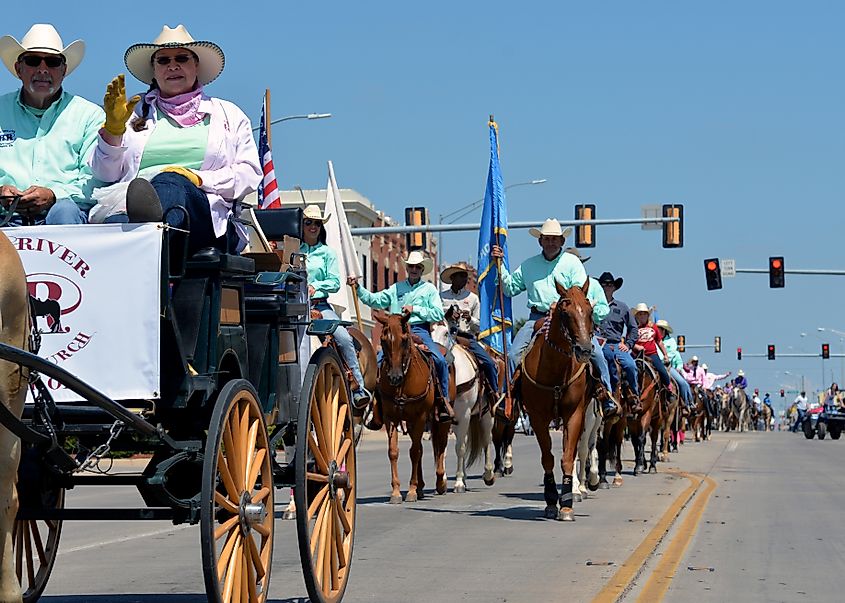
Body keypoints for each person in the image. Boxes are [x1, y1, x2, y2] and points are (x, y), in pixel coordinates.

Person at [89, 25, 260, 256]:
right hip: (131, 205)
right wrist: (113, 131)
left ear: (196, 66)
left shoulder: (228, 114)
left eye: (181, 58)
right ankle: (146, 241)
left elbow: (249, 175)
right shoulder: (133, 113)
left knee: (170, 181)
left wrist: (198, 178)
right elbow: (105, 175)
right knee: (117, 222)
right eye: (163, 61)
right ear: (154, 70)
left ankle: (146, 242)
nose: (172, 66)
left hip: (205, 215)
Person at [490, 220, 615, 417]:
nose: (550, 243)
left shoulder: (572, 263)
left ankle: (606, 395)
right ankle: (509, 398)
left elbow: (578, 292)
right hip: (536, 317)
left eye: (554, 239)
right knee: (514, 355)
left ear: (562, 241)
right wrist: (499, 266)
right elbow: (510, 288)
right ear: (540, 241)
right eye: (547, 239)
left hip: (568, 318)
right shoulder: (528, 265)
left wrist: (562, 307)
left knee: (596, 353)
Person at [0, 24, 104, 224]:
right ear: (18, 69)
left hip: (61, 218)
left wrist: (54, 196)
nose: (42, 69)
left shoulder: (89, 115)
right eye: (32, 61)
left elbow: (95, 180)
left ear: (63, 70)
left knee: (64, 210)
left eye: (52, 62)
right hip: (4, 217)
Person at [348, 251, 454, 423]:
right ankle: (376, 407)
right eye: (411, 266)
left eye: (417, 267)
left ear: (422, 270)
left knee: (440, 360)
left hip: (420, 331)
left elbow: (437, 313)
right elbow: (376, 300)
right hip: (396, 331)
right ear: (407, 268)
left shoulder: (429, 289)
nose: (414, 269)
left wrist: (416, 309)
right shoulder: (396, 288)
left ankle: (443, 401)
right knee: (379, 361)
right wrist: (358, 289)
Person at [300, 205, 370, 408]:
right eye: (308, 222)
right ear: (301, 225)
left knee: (343, 337)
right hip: (294, 306)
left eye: (317, 223)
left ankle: (358, 387)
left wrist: (315, 286)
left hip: (320, 306)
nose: (313, 226)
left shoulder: (327, 253)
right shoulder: (293, 249)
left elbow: (334, 282)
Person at [565, 249, 618, 417]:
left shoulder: (593, 285)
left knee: (599, 357)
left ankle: (607, 397)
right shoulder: (558, 283)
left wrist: (591, 312)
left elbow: (603, 308)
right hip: (559, 330)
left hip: (584, 333)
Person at [439, 263, 502, 404]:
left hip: (466, 337)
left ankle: (494, 393)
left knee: (489, 362)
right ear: (453, 278)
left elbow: (480, 325)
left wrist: (470, 319)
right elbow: (436, 317)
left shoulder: (473, 298)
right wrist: (447, 315)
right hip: (445, 336)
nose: (465, 279)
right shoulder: (441, 297)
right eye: (461, 276)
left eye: (465, 276)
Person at [597, 272, 641, 411]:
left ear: (614, 287)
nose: (607, 287)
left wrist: (627, 344)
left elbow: (633, 328)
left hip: (616, 344)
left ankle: (634, 396)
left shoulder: (622, 307)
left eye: (610, 284)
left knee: (631, 365)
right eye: (604, 284)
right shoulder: (593, 305)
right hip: (598, 343)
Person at [631, 303, 675, 398]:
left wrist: (665, 355)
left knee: (662, 371)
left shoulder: (653, 326)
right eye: (640, 314)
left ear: (648, 315)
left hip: (651, 355)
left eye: (644, 314)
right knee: (627, 369)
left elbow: (659, 342)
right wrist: (636, 346)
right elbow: (629, 342)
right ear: (637, 316)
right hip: (637, 355)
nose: (642, 316)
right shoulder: (633, 327)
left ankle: (668, 389)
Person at [655, 319, 693, 409]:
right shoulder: (653, 340)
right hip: (654, 364)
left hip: (666, 366)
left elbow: (671, 354)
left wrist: (662, 360)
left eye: (658, 329)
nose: (656, 331)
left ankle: (687, 403)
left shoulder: (671, 341)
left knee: (682, 383)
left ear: (664, 330)